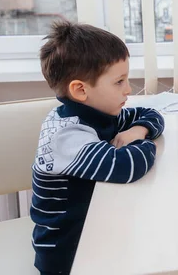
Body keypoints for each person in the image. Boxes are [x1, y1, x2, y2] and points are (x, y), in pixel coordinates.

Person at [31, 21, 165, 274]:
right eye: (119, 82)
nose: (128, 89)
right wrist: (144, 143)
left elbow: (152, 114)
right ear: (81, 90)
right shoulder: (67, 135)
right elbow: (126, 166)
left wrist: (138, 130)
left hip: (95, 227)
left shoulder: (97, 112)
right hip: (66, 252)